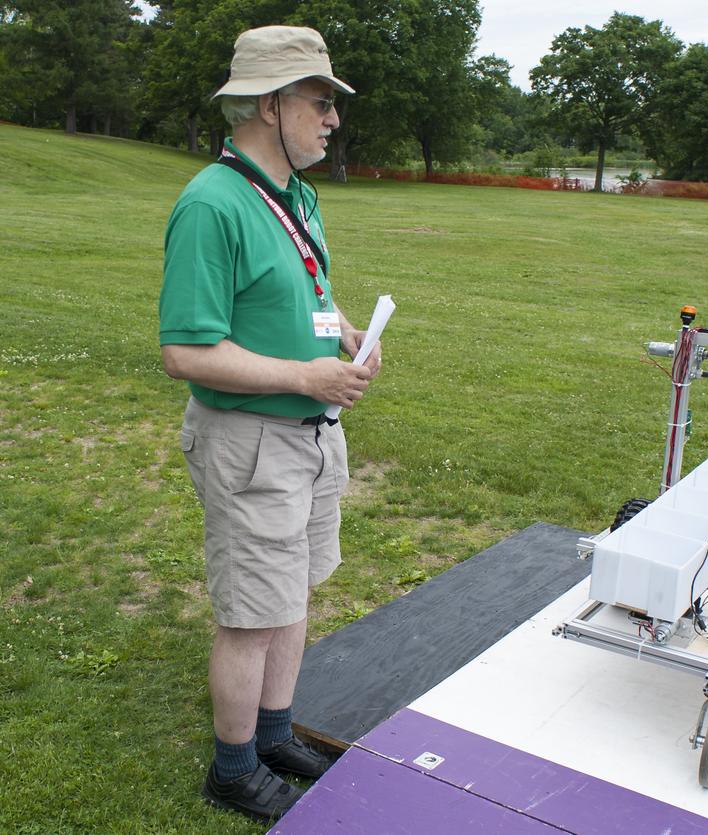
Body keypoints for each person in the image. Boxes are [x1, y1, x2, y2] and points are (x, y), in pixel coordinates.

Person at [158, 25, 381, 822]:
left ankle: (276, 732)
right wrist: (302, 375)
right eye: (320, 101)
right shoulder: (212, 203)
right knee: (252, 613)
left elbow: (305, 294)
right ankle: (231, 767)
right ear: (267, 103)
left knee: (292, 595)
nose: (331, 118)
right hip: (250, 440)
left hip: (312, 435)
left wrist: (344, 332)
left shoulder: (297, 193)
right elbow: (185, 350)